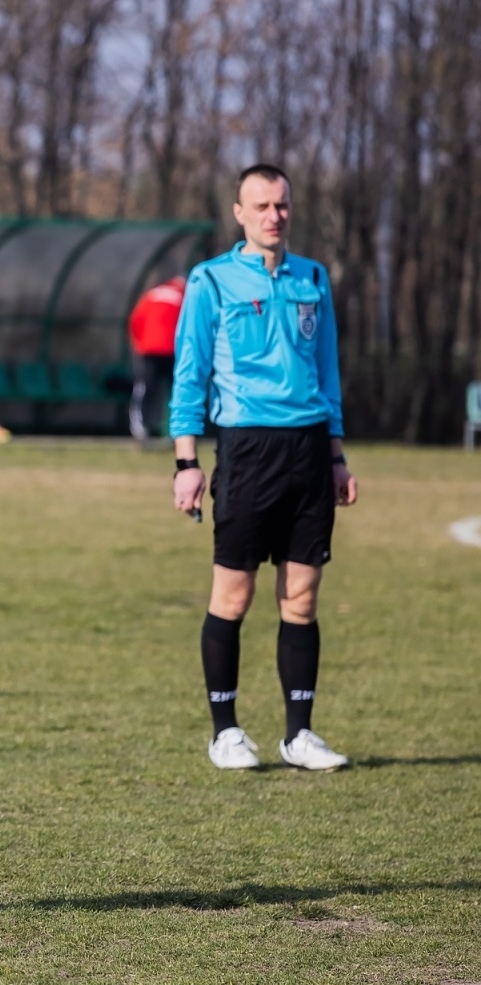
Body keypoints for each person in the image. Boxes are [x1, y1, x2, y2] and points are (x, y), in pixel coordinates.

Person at [170, 164, 359, 772]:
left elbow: (327, 372)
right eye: (262, 206)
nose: (274, 215)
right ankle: (225, 732)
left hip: (308, 452)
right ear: (239, 213)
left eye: (282, 205)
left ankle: (298, 735)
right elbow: (189, 375)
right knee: (235, 592)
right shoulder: (211, 281)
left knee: (301, 598)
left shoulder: (313, 278)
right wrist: (186, 461)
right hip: (247, 450)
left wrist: (335, 454)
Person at [128, 276, 186, 442]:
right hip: (173, 349)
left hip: (148, 349)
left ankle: (140, 426)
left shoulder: (151, 294)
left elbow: (136, 320)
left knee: (145, 388)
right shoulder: (184, 296)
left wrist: (139, 343)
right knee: (175, 390)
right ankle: (174, 429)